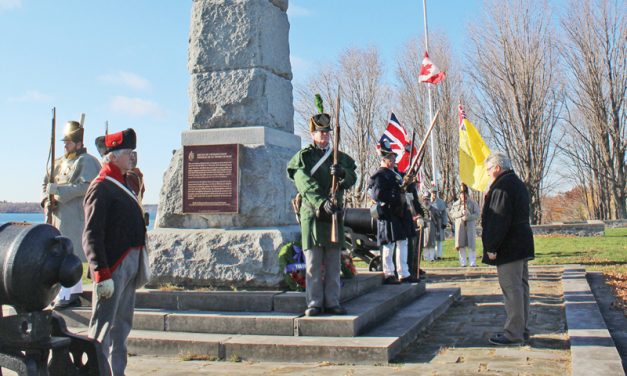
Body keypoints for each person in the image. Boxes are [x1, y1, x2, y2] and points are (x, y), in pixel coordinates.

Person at [83, 128, 149, 374]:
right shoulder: (101, 187)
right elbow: (91, 233)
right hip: (113, 267)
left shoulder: (124, 183)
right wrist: (100, 272)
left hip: (131, 263)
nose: (132, 157)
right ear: (113, 157)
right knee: (102, 328)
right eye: (128, 153)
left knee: (121, 327)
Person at [286, 104, 357, 317]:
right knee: (314, 263)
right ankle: (315, 303)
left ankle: (333, 301)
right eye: (320, 133)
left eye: (327, 133)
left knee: (334, 263)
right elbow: (302, 181)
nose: (324, 137)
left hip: (333, 213)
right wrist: (320, 202)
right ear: (312, 134)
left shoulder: (339, 157)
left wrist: (342, 173)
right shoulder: (304, 157)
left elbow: (353, 176)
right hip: (313, 215)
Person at [41, 120, 101, 309]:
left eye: (68, 142)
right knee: (60, 253)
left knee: (70, 254)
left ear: (78, 142)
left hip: (75, 216)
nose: (65, 145)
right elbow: (45, 185)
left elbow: (87, 186)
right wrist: (46, 199)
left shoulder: (88, 161)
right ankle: (69, 292)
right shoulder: (58, 162)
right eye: (64, 142)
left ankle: (68, 293)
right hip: (57, 215)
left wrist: (59, 191)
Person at [482, 152, 535, 346]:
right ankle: (522, 328)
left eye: (488, 169)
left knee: (512, 289)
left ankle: (514, 333)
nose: (488, 174)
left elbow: (499, 218)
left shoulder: (503, 186)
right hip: (520, 243)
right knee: (521, 288)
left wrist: (492, 246)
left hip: (509, 245)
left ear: (497, 167)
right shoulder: (516, 183)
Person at [367, 140, 417, 284]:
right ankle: (389, 273)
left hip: (400, 212)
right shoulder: (379, 175)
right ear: (383, 159)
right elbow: (377, 195)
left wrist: (407, 183)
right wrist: (396, 194)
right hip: (389, 212)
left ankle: (404, 273)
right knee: (389, 244)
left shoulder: (396, 174)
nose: (393, 159)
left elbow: (403, 186)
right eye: (390, 158)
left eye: (393, 157)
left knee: (402, 242)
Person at [450, 183, 480, 267]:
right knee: (461, 245)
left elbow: (477, 214)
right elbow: (452, 214)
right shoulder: (455, 204)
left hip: (469, 226)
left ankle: (472, 262)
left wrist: (469, 216)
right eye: (461, 193)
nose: (463, 195)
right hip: (460, 227)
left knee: (471, 245)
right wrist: (460, 213)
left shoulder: (473, 203)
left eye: (464, 193)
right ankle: (463, 263)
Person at [430, 186, 449, 260]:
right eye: (433, 192)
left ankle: (439, 255)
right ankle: (432, 255)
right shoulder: (428, 201)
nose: (434, 194)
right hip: (431, 223)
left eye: (435, 192)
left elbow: (444, 213)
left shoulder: (441, 202)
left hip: (439, 222)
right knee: (432, 240)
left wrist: (444, 222)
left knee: (439, 240)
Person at [421, 191, 438, 262]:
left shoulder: (433, 209)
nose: (426, 201)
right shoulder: (420, 208)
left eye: (428, 199)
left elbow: (437, 219)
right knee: (425, 243)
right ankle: (426, 257)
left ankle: (431, 257)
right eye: (425, 199)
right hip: (424, 228)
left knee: (432, 243)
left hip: (432, 227)